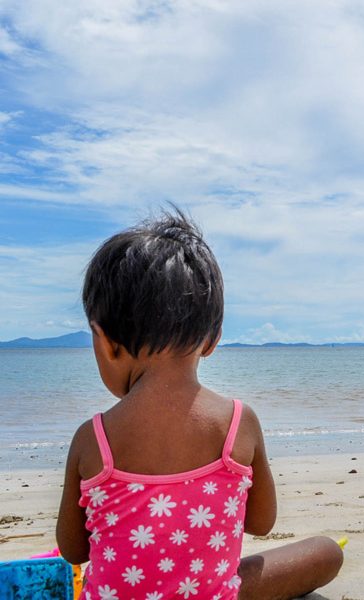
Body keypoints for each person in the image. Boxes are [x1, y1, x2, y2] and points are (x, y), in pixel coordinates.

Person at [56, 208, 343, 600]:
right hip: (210, 592)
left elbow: (74, 550)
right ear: (212, 339)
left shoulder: (94, 439)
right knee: (325, 552)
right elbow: (262, 522)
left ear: (105, 341)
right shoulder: (239, 423)